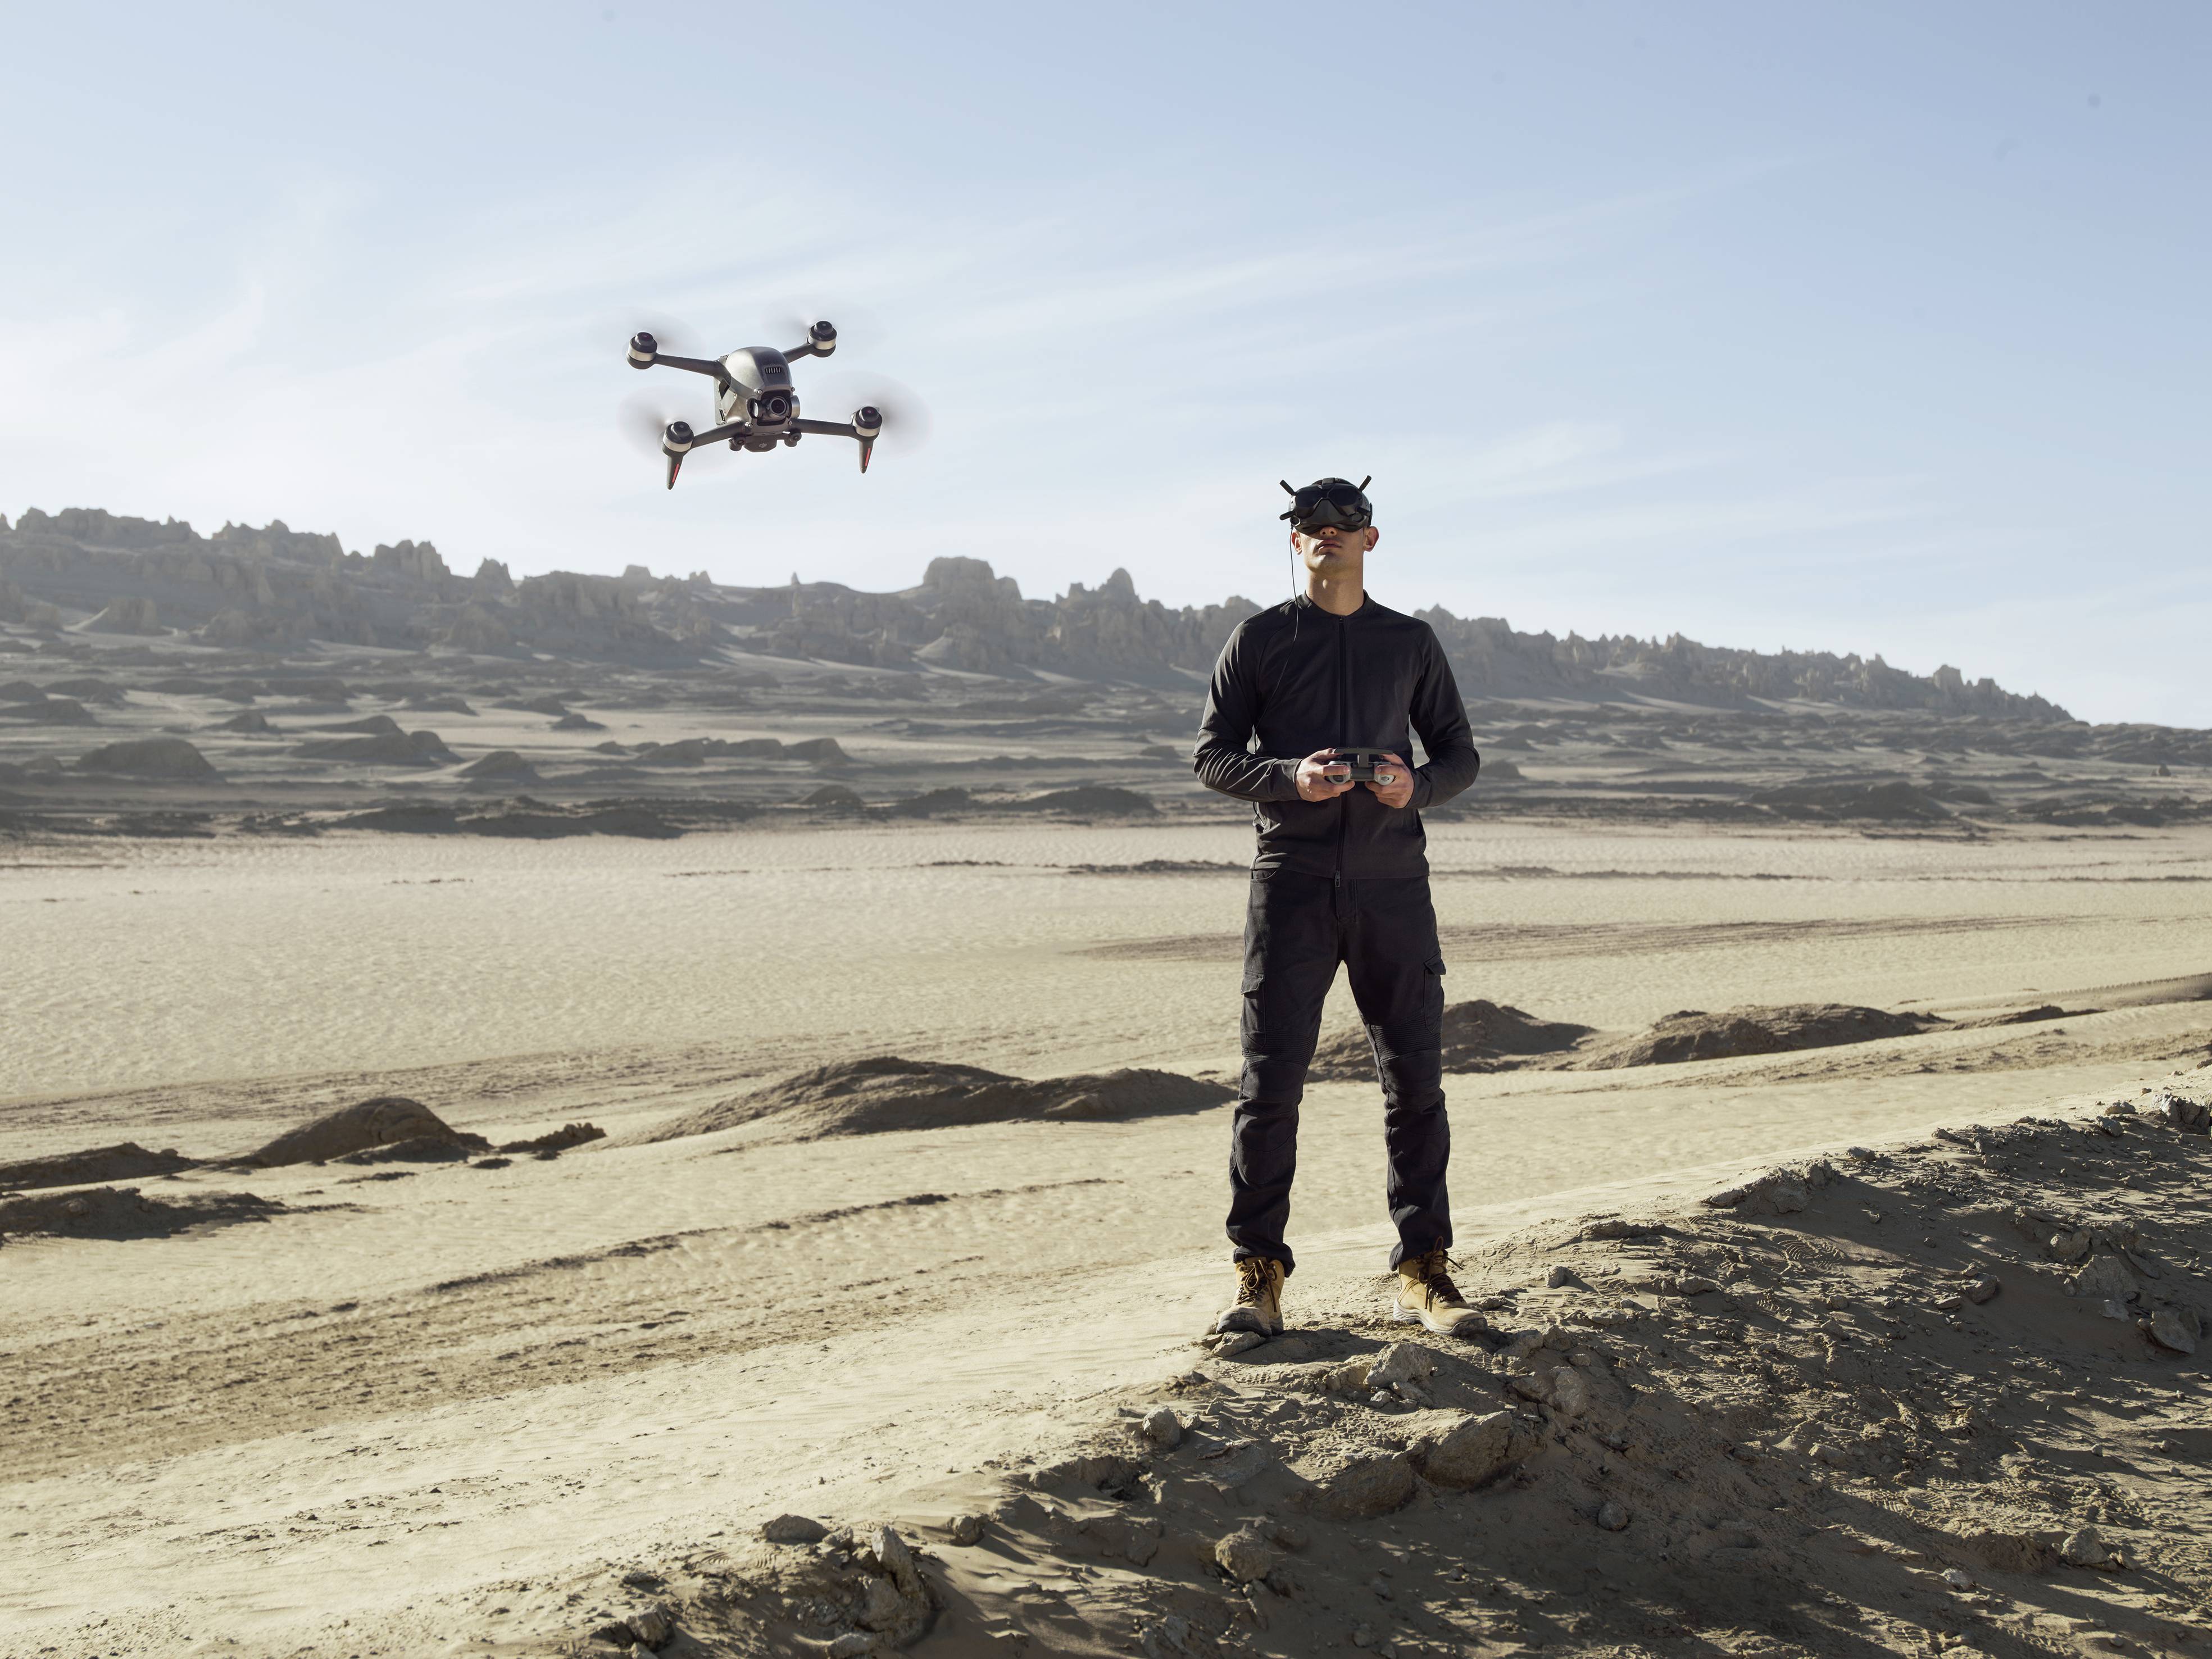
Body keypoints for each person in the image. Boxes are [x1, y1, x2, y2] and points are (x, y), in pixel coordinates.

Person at [1191, 476, 1483, 1340]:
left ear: (1370, 538)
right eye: (1310, 527)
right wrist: (1290, 777)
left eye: (1342, 524)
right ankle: (1259, 1275)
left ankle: (1423, 1270)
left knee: (1415, 1086)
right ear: (1295, 543)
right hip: (1290, 883)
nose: (1327, 535)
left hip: (1393, 889)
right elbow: (1211, 754)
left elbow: (1460, 753)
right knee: (1269, 1085)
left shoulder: (1410, 641)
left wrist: (1413, 785)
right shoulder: (1260, 638)